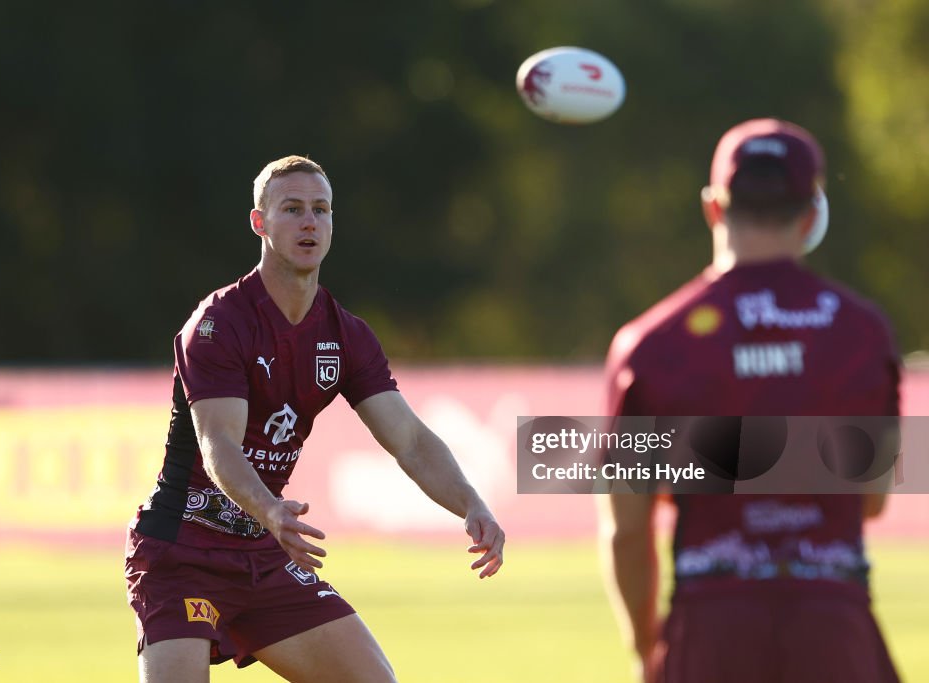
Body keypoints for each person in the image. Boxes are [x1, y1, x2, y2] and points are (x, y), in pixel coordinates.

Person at [124, 155, 505, 683]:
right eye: (293, 209)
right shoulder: (217, 324)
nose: (310, 222)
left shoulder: (346, 334)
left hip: (263, 551)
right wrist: (270, 510)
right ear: (260, 223)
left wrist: (472, 503)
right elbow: (219, 447)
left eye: (321, 209)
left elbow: (411, 440)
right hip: (182, 548)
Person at [597, 119, 901, 683]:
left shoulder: (652, 343)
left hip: (710, 627)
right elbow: (872, 500)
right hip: (835, 625)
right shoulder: (862, 331)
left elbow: (627, 528)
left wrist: (646, 651)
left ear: (714, 207)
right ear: (811, 214)